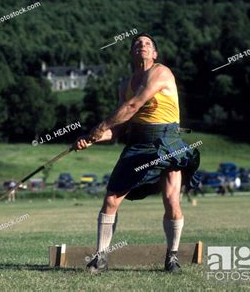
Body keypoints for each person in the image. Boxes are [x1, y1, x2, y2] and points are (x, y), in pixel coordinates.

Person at [73, 33, 201, 274]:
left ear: (155, 54)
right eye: (137, 44)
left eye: (148, 44)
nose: (142, 46)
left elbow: (133, 106)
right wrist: (90, 139)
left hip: (167, 140)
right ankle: (100, 258)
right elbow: (119, 128)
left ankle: (171, 258)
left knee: (172, 200)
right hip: (138, 142)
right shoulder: (125, 85)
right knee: (111, 200)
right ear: (131, 53)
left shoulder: (161, 72)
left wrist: (100, 126)